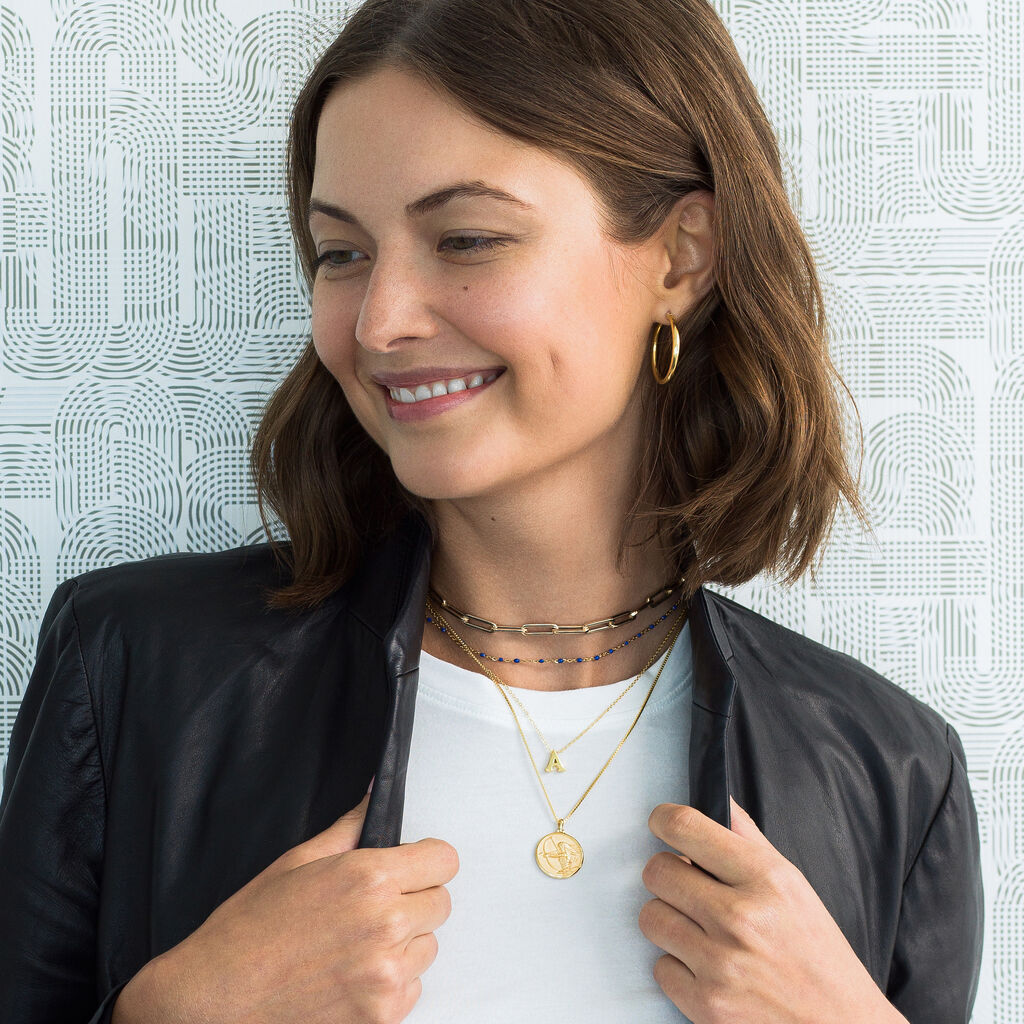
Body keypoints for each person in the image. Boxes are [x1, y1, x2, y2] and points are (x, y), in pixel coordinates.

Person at [0, 0, 984, 1021]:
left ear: (681, 258)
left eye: (465, 238)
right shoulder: (133, 671)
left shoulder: (892, 771)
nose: (379, 322)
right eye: (341, 253)